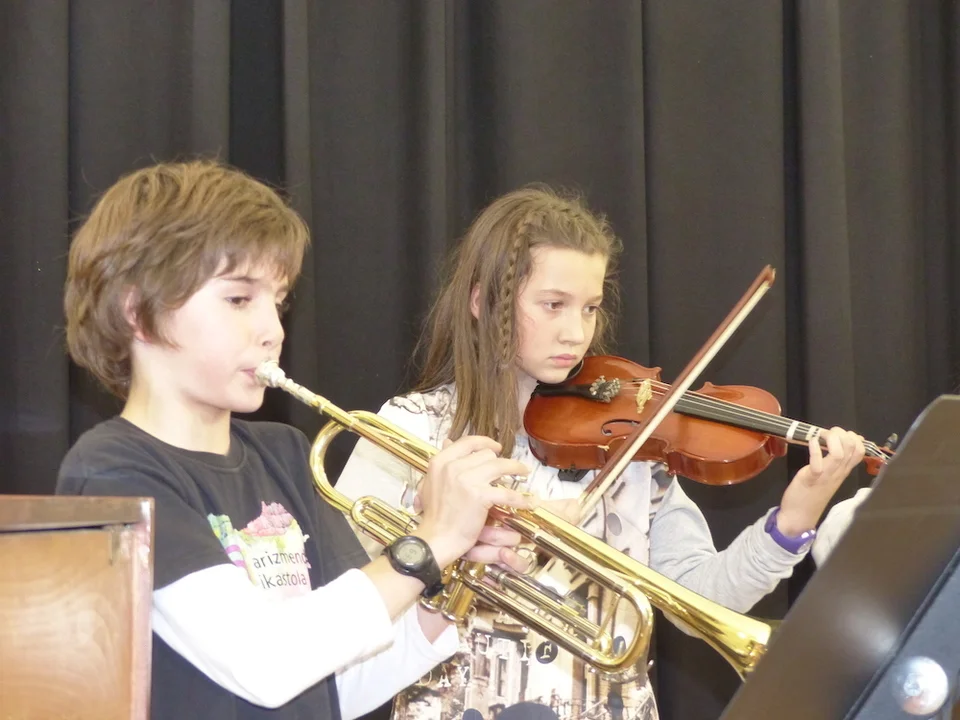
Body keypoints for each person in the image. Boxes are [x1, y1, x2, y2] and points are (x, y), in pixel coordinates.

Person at [335, 186, 866, 720]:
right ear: (483, 302)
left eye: (589, 308)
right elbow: (347, 606)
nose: (576, 333)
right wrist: (461, 535)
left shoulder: (629, 443)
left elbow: (700, 601)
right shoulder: (411, 429)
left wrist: (792, 522)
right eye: (553, 305)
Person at [55, 160, 536, 720]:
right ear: (137, 312)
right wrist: (427, 543)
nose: (274, 330)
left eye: (278, 302)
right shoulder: (111, 474)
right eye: (239, 300)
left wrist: (451, 576)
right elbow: (266, 663)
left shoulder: (282, 452)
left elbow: (339, 687)